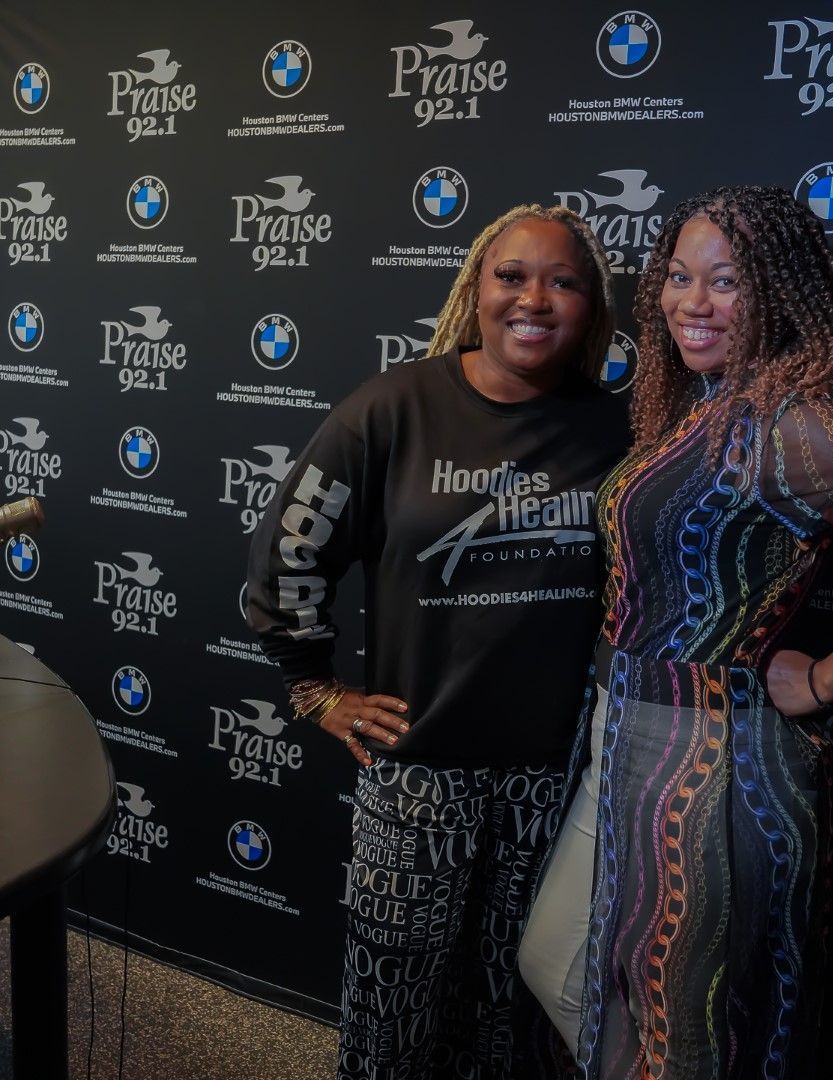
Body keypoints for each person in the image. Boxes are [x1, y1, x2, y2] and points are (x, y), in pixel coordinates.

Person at [517, 186, 833, 1079]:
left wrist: (820, 682)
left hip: (709, 759)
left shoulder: (795, 422)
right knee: (563, 966)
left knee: (681, 1026)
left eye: (725, 282)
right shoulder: (705, 407)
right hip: (626, 734)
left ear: (778, 295)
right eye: (677, 277)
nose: (690, 303)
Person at [245, 204, 630, 1079]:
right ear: (474, 290)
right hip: (420, 770)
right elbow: (287, 551)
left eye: (563, 281)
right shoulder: (392, 409)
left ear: (591, 307)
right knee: (393, 1009)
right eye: (511, 275)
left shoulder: (617, 428)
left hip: (559, 779)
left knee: (516, 1010)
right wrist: (315, 689)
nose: (534, 298)